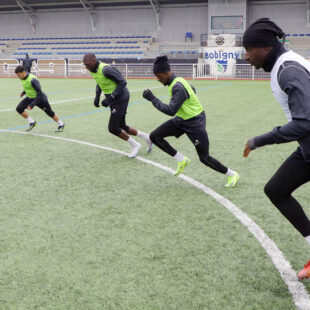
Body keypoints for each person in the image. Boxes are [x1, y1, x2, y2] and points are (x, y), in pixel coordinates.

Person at [242, 18, 310, 279]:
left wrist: (260, 140)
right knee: (276, 189)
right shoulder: (285, 64)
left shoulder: (288, 69)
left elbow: (305, 123)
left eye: (249, 50)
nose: (247, 56)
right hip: (307, 149)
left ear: (266, 48)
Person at [142, 55, 240, 187]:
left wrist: (153, 99)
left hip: (194, 123)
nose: (158, 79)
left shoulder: (177, 86)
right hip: (182, 119)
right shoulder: (177, 80)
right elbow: (193, 90)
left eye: (159, 76)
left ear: (166, 73)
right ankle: (181, 160)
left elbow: (170, 110)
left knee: (204, 158)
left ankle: (232, 174)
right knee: (154, 136)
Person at [83, 53, 152, 158]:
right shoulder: (93, 70)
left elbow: (123, 82)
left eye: (87, 64)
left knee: (113, 128)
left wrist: (111, 97)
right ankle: (147, 137)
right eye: (85, 65)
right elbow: (99, 82)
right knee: (122, 126)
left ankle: (135, 145)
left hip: (121, 97)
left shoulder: (106, 69)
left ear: (94, 60)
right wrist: (97, 97)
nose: (86, 67)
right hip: (115, 99)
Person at [15, 65, 65, 132]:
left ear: (23, 72)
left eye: (19, 75)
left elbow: (39, 93)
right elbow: (28, 87)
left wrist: (32, 104)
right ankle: (32, 122)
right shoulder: (23, 78)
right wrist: (23, 93)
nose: (18, 77)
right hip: (30, 97)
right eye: (17, 75)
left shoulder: (33, 80)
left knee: (50, 113)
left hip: (40, 99)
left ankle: (61, 124)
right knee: (19, 108)